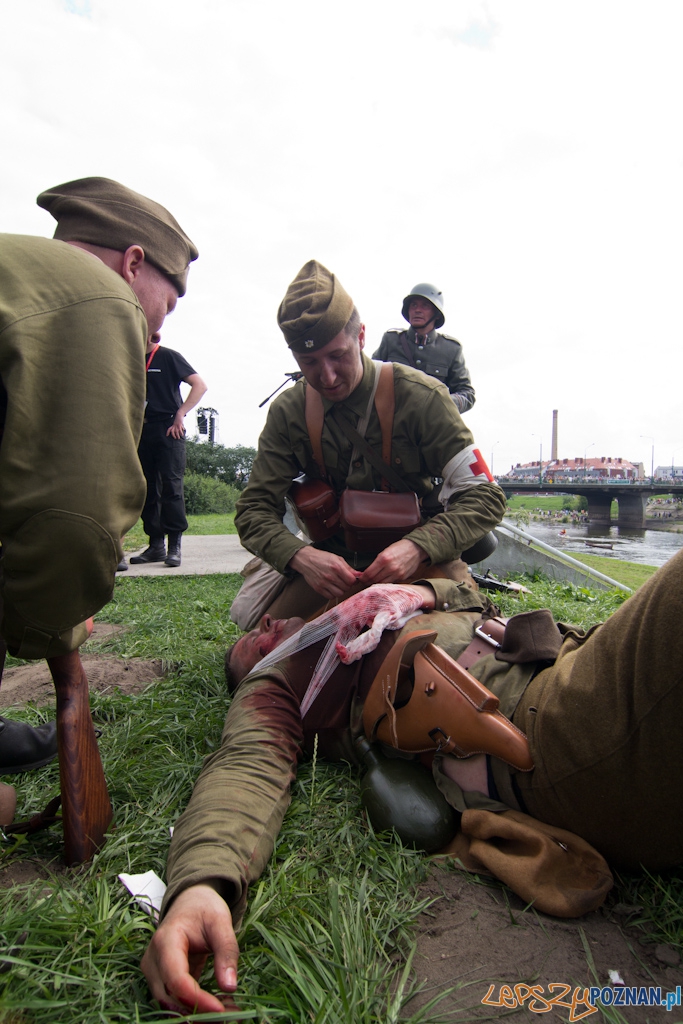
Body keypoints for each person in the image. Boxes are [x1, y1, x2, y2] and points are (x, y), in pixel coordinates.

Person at [141, 547, 683, 1012]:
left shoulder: (358, 611)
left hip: (568, 667)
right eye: (251, 648)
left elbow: (471, 596)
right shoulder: (277, 685)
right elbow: (245, 767)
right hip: (558, 729)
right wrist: (203, 885)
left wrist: (417, 593)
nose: (267, 627)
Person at [0, 176, 197, 820]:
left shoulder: (22, 268)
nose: (156, 332)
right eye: (163, 309)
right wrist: (54, 619)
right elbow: (75, 520)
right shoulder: (101, 296)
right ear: (133, 263)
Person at [231, 261, 505, 628]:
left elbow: (485, 496)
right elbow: (253, 510)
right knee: (265, 658)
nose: (326, 376)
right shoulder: (289, 412)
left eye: (337, 355)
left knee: (452, 656)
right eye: (308, 361)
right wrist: (300, 557)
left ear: (361, 336)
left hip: (420, 561)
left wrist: (417, 547)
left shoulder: (423, 398)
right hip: (330, 568)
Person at [127, 334, 207, 569]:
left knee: (171, 487)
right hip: (141, 429)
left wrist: (180, 414)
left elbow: (200, 385)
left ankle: (174, 546)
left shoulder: (168, 356)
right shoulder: (130, 358)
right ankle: (156, 545)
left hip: (168, 428)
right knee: (148, 488)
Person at [373, 283, 475, 413]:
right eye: (413, 305)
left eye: (425, 306)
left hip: (431, 426)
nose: (417, 310)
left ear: (436, 314)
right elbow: (370, 377)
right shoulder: (391, 340)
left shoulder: (451, 349)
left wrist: (440, 403)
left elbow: (467, 394)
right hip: (390, 420)